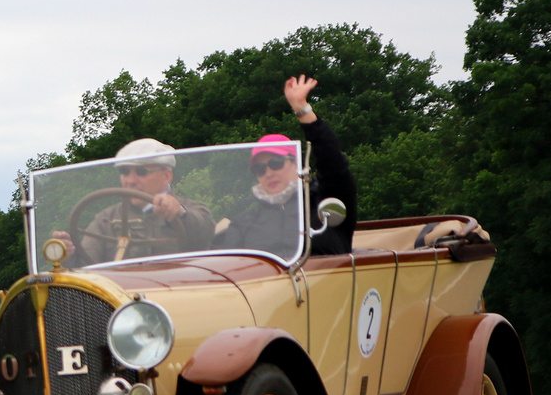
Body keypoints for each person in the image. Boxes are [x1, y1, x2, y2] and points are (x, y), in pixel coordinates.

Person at [218, 75, 358, 257]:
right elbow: (231, 268)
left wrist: (302, 109)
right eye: (259, 169)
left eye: (275, 163)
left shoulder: (326, 203)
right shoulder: (244, 221)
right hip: (268, 285)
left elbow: (333, 162)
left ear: (295, 163)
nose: (268, 173)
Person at [56, 138, 216, 264]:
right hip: (123, 299)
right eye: (125, 172)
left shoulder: (190, 209)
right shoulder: (105, 219)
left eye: (141, 172)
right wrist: (69, 255)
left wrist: (179, 213)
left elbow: (204, 234)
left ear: (166, 176)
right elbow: (88, 268)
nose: (130, 181)